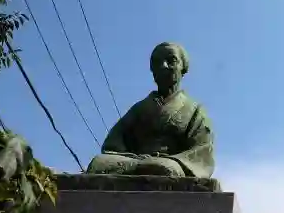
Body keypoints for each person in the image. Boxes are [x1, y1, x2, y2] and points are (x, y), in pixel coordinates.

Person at [86, 42, 215, 178]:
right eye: (157, 62)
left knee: (165, 167)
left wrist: (168, 161)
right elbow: (112, 144)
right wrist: (136, 159)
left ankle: (149, 166)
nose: (163, 66)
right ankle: (142, 167)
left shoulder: (195, 111)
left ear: (183, 67)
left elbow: (201, 151)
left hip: (171, 162)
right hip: (135, 161)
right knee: (98, 162)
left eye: (171, 61)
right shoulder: (139, 109)